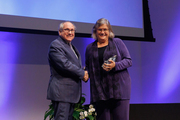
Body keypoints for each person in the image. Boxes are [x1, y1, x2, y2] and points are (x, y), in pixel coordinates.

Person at [85, 18, 132, 120]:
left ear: (109, 31)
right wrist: (86, 73)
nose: (102, 32)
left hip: (119, 90)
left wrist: (115, 65)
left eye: (105, 29)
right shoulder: (89, 48)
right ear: (95, 31)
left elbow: (128, 61)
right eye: (100, 29)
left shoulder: (117, 42)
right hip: (99, 92)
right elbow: (88, 66)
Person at [47, 21, 89, 120]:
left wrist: (85, 71)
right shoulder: (56, 45)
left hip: (70, 94)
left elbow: (73, 65)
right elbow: (65, 65)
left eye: (72, 30)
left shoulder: (71, 46)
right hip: (62, 93)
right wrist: (82, 73)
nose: (70, 32)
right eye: (67, 30)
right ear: (60, 32)